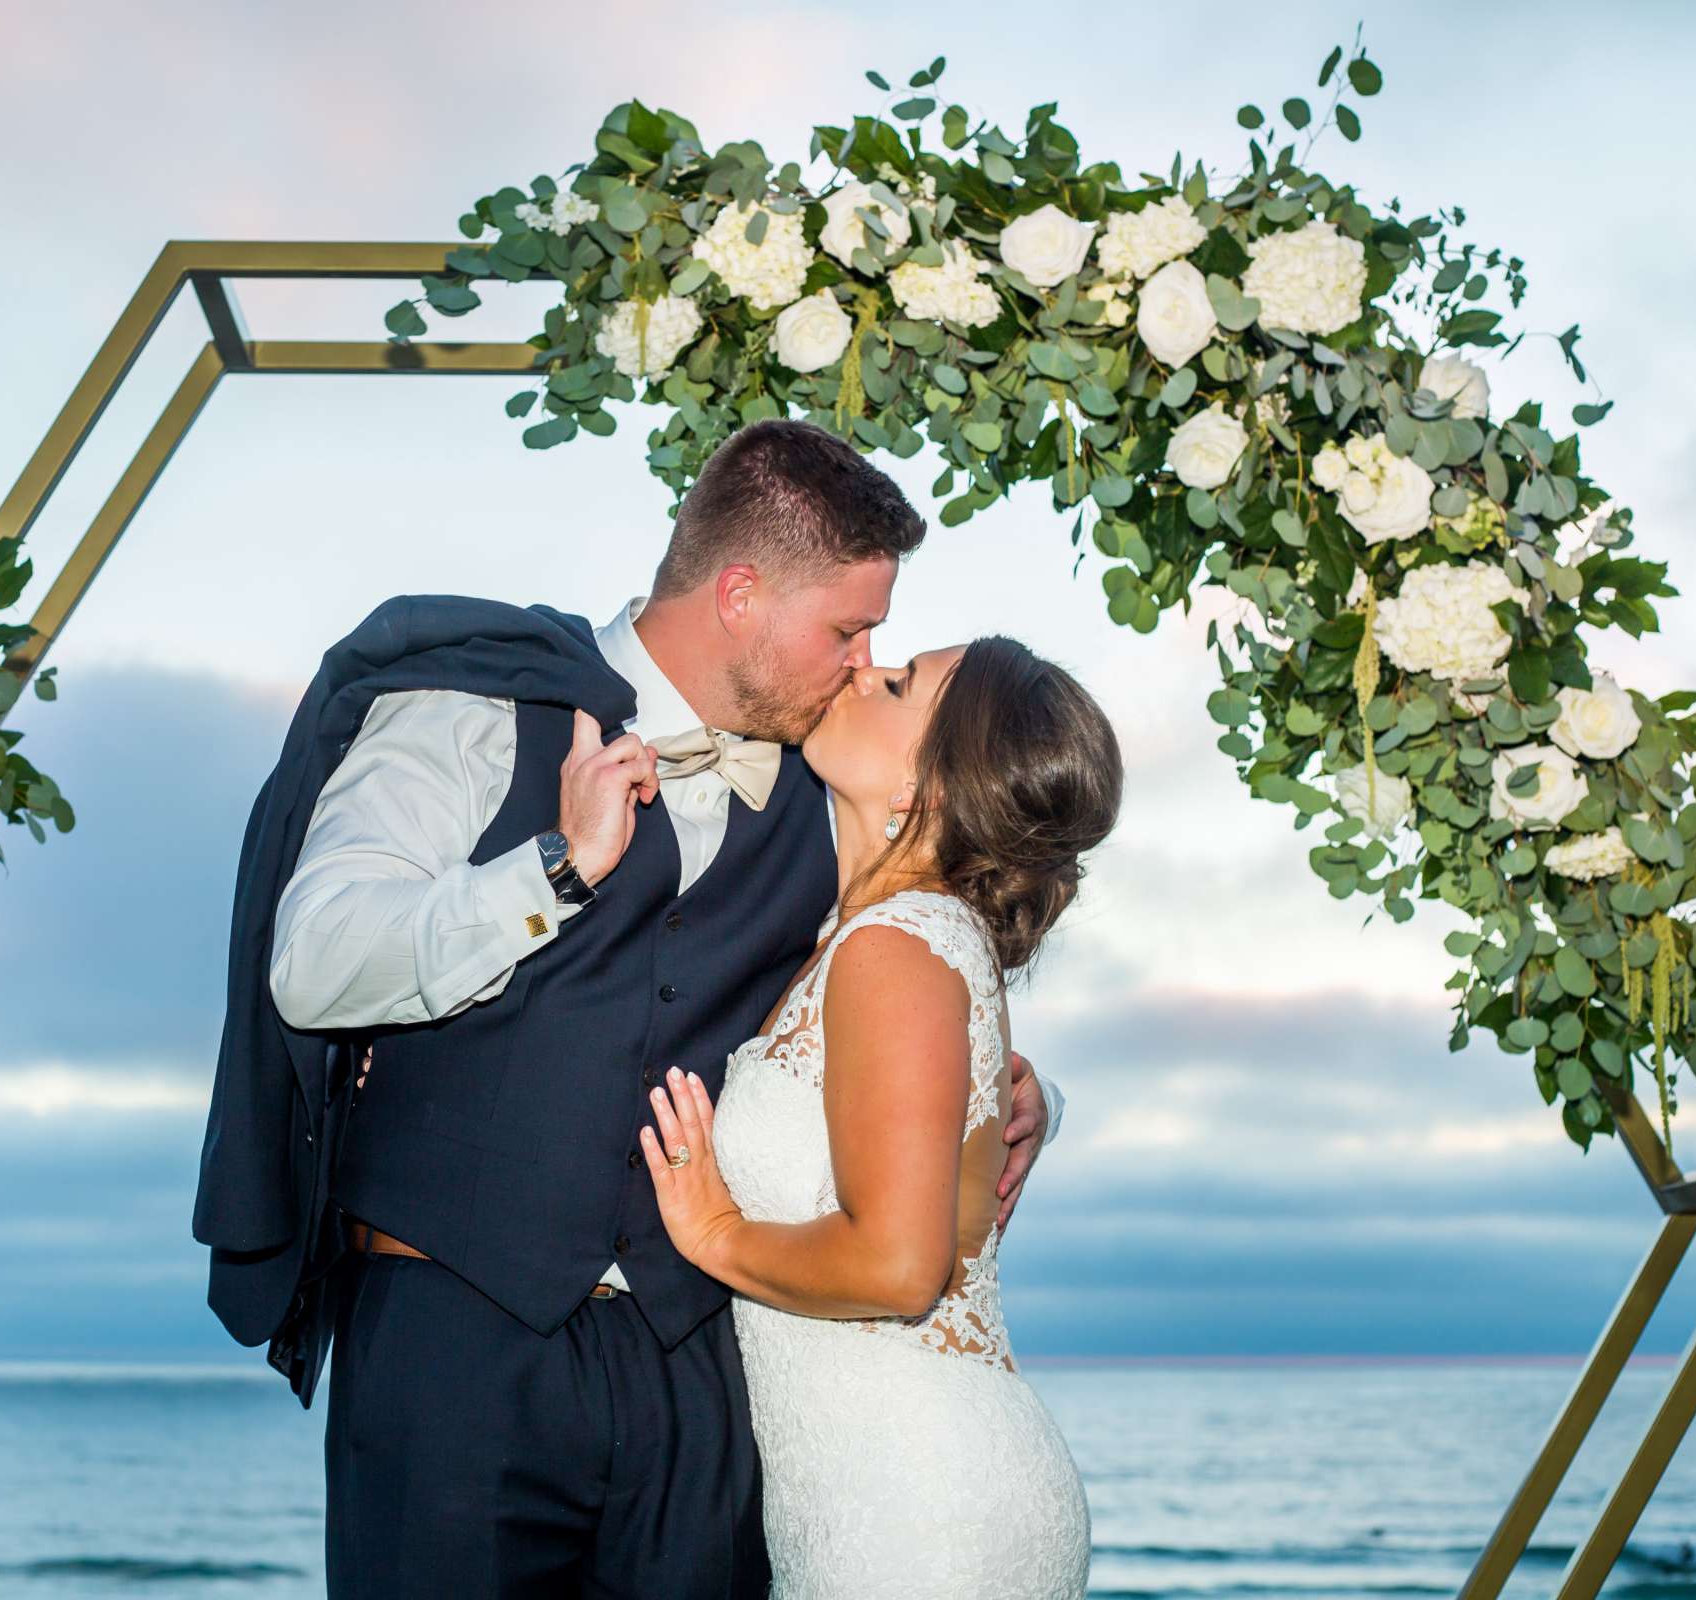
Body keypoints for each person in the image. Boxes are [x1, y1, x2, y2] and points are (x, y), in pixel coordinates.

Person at [193, 417, 1064, 1597]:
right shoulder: (471, 705)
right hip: (456, 1343)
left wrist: (1017, 1085)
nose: (865, 662)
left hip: (701, 1365)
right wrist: (550, 866)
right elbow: (315, 960)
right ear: (742, 594)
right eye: (850, 627)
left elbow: (897, 975)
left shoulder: (835, 788)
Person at [640, 635, 1122, 1597]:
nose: (864, 671)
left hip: (913, 1511)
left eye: (898, 685)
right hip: (900, 1491)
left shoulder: (897, 948)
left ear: (930, 792)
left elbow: (901, 1268)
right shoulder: (891, 940)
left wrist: (718, 1234)